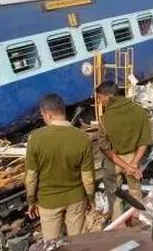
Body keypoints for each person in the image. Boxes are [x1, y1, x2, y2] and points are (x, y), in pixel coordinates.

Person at [25, 94, 95, 242]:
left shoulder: (35, 139)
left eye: (43, 115)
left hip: (48, 202)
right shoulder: (83, 138)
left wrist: (31, 201)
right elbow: (87, 177)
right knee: (78, 243)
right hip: (76, 199)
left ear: (48, 114)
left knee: (52, 244)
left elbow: (31, 178)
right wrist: (90, 198)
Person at [95, 81, 152, 218]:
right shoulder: (139, 111)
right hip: (134, 157)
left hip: (114, 161)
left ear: (108, 96)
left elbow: (104, 147)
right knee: (135, 190)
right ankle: (137, 218)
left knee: (114, 193)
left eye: (100, 97)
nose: (99, 101)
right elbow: (144, 141)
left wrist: (125, 165)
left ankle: (118, 224)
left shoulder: (105, 119)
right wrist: (132, 164)